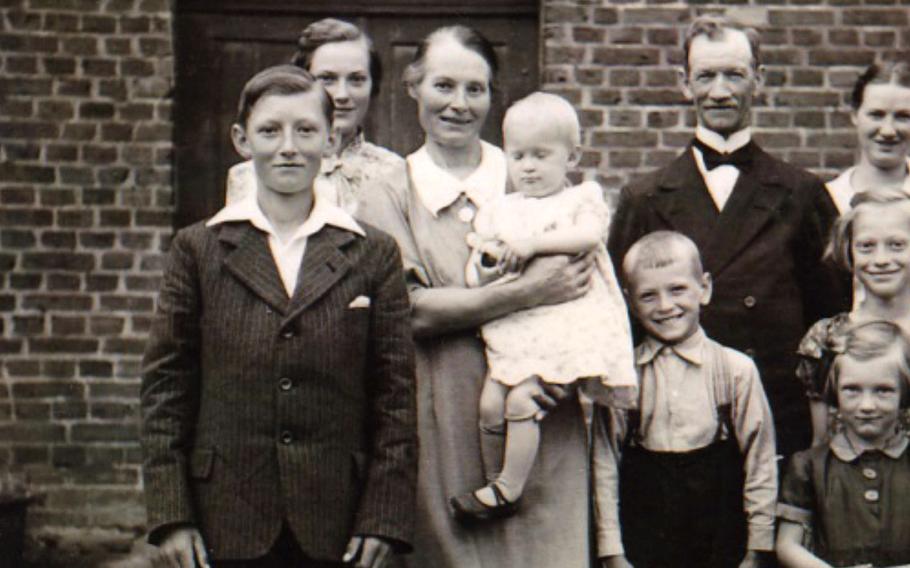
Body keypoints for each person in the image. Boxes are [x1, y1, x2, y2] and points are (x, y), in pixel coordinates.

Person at [140, 65, 417, 568]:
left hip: (338, 520)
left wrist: (383, 516)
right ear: (242, 141)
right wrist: (172, 514)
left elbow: (394, 397)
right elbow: (166, 389)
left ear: (330, 140)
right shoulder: (198, 249)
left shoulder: (372, 253)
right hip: (224, 518)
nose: (288, 146)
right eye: (270, 130)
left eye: (306, 130)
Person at [364, 25, 596, 568]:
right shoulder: (388, 194)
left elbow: (587, 288)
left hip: (540, 415)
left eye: (476, 89)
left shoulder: (533, 178)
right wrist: (531, 289)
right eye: (443, 86)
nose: (459, 104)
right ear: (413, 86)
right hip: (440, 423)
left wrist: (568, 374)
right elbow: (411, 311)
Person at [607, 14, 849, 459]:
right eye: (706, 76)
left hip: (778, 415)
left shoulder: (802, 193)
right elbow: (615, 321)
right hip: (674, 417)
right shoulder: (643, 198)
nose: (719, 91)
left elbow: (833, 315)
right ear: (684, 83)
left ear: (759, 79)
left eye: (734, 74)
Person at [448, 92, 637, 522]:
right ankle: (495, 479)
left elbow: (588, 238)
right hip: (521, 327)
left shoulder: (578, 201)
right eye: (518, 156)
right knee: (491, 404)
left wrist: (532, 244)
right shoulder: (501, 210)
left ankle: (509, 489)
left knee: (522, 402)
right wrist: (488, 265)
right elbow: (476, 272)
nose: (528, 166)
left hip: (564, 328)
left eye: (541, 155)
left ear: (572, 157)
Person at [594, 231, 778, 568]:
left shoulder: (735, 370)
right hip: (647, 530)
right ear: (629, 302)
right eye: (648, 295)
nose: (665, 306)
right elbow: (605, 464)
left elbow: (760, 462)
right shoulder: (622, 376)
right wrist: (612, 551)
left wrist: (758, 547)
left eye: (677, 289)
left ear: (704, 288)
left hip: (718, 533)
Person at [226, 18, 404, 217]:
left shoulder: (394, 170)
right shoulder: (251, 175)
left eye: (356, 79)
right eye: (327, 79)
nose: (342, 94)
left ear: (373, 85)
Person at [777, 321, 910, 567]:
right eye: (852, 390)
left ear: (904, 392)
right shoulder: (809, 466)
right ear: (835, 392)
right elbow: (787, 545)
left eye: (883, 390)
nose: (867, 405)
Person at [797, 188, 910, 446]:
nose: (881, 259)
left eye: (897, 245)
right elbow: (821, 444)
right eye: (867, 246)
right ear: (849, 250)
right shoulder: (827, 339)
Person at [825, 60, 910, 214]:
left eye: (903, 117)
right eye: (876, 115)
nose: (888, 131)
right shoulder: (829, 198)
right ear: (855, 115)